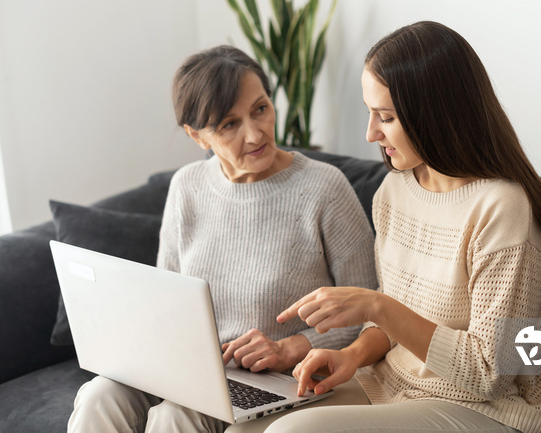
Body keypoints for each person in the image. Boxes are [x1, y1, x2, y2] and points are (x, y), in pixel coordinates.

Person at [271, 21, 541, 433]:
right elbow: (392, 329)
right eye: (370, 112)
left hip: (483, 411)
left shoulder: (505, 209)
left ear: (436, 114)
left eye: (386, 117)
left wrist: (376, 305)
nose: (371, 132)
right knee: (243, 426)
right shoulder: (393, 191)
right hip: (390, 387)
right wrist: (354, 354)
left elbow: (491, 374)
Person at [67, 45, 378, 433]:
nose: (254, 133)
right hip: (192, 368)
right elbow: (164, 301)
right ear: (197, 136)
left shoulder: (324, 188)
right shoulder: (187, 187)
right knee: (99, 397)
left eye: (260, 109)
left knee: (173, 417)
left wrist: (290, 347)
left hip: (277, 378)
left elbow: (370, 311)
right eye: (229, 124)